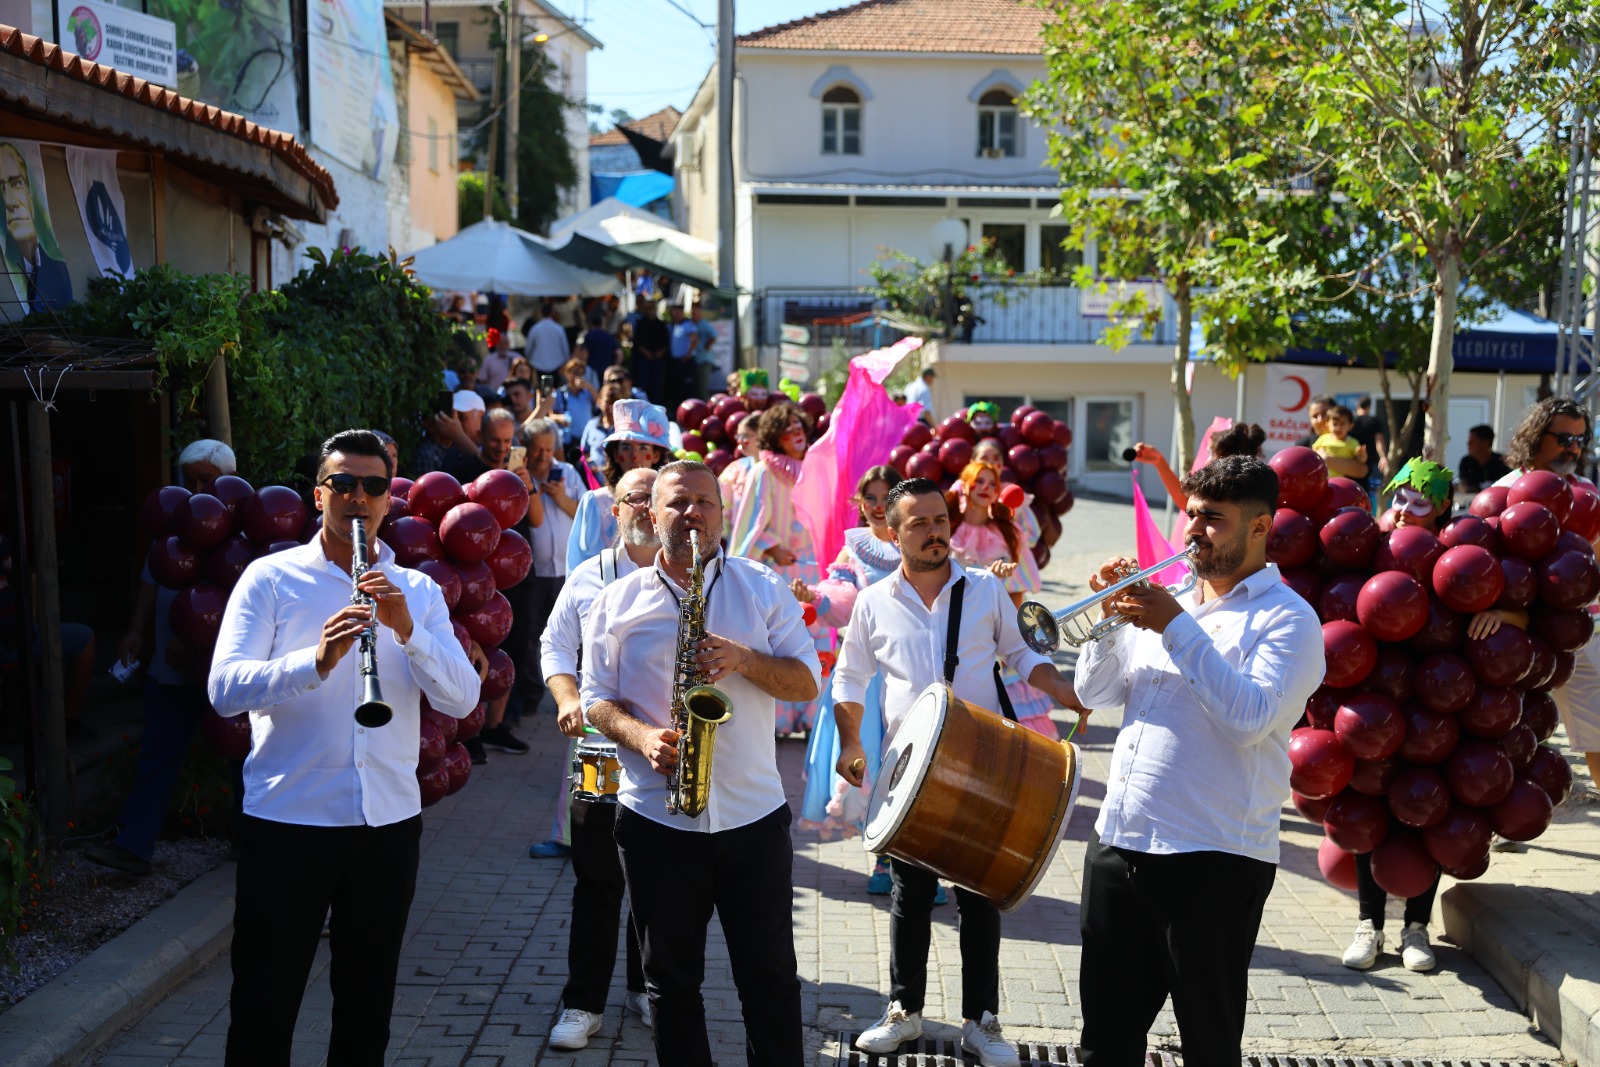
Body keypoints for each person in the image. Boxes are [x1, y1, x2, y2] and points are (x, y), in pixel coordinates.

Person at [207, 429, 480, 1065]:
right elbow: (224, 691)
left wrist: (409, 632)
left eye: (374, 486)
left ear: (389, 499)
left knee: (366, 1006)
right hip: (290, 819)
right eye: (344, 484)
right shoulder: (270, 578)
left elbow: (463, 699)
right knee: (264, 1001)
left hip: (386, 822)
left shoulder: (417, 591)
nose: (359, 497)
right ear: (318, 494)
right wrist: (318, 660)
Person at [1072, 456, 1324, 1066]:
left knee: (1208, 1044)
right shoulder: (1171, 599)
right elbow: (1094, 694)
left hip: (1214, 857)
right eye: (1190, 514)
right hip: (1120, 841)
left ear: (1260, 528)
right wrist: (1108, 624)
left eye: (1213, 519)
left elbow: (1249, 719)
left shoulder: (1289, 619)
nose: (1192, 530)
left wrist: (1176, 628)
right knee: (1105, 1043)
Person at [832, 478, 1084, 1067]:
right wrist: (850, 742)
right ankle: (904, 1010)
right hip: (909, 771)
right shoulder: (873, 601)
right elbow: (849, 676)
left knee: (979, 897)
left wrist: (1065, 690)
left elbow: (1022, 655)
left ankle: (982, 1021)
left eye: (940, 520)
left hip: (984, 765)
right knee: (910, 896)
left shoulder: (985, 589)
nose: (935, 532)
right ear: (892, 533)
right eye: (918, 523)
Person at [582, 461, 821, 1066]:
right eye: (677, 503)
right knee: (670, 983)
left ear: (722, 511)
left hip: (752, 817)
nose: (692, 514)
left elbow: (806, 680)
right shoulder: (617, 600)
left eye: (704, 502)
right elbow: (594, 700)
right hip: (656, 819)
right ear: (651, 514)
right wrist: (641, 737)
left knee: (771, 979)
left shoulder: (761, 587)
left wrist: (745, 659)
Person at [1341, 459, 1481, 972]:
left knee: (1428, 810)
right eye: (1398, 498)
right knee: (1369, 807)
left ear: (1441, 507)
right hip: (1375, 699)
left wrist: (1501, 613)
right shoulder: (1371, 547)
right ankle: (1369, 924)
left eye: (1418, 502)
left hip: (1436, 707)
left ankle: (1415, 928)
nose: (1403, 510)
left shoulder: (1455, 553)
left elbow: (1508, 599)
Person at [538, 467, 658, 1047]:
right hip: (599, 749)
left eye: (656, 498)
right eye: (635, 498)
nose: (647, 509)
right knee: (597, 878)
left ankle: (648, 991)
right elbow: (555, 645)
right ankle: (583, 1004)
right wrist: (567, 698)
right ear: (616, 510)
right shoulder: (589, 574)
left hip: (667, 752)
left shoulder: (699, 574)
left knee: (659, 881)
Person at [88, 440, 240, 876]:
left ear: (226, 480)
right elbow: (151, 581)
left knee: (243, 754)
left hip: (222, 670)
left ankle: (251, 839)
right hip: (171, 673)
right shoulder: (172, 528)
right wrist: (136, 632)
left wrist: (195, 645)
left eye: (206, 480)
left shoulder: (240, 535)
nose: (197, 489)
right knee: (157, 755)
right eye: (189, 480)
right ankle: (133, 846)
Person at [795, 468, 903, 886]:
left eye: (886, 497)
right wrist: (816, 597)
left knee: (913, 762)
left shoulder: (915, 543)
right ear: (859, 503)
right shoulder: (852, 550)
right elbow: (842, 600)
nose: (877, 506)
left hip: (912, 673)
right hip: (865, 677)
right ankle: (885, 860)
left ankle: (917, 866)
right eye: (870, 497)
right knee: (874, 761)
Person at [1497, 397, 1600, 785]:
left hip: (1584, 630)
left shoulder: (1586, 491)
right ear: (1537, 436)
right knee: (1510, 732)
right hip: (1523, 633)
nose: (1573, 448)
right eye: (1564, 438)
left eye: (1580, 439)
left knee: (1599, 733)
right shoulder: (1506, 490)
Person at [729, 401, 827, 735]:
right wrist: (772, 545)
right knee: (780, 643)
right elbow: (750, 522)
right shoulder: (764, 471)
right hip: (778, 572)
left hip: (811, 571)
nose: (796, 432)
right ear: (775, 436)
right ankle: (778, 721)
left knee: (815, 642)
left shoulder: (815, 470)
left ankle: (811, 718)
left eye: (799, 426)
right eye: (788, 429)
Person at [946, 462, 1057, 738]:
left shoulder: (1008, 533)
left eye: (992, 484)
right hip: (956, 629)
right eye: (979, 481)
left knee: (1012, 724)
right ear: (965, 486)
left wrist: (1015, 637)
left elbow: (1017, 593)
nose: (986, 488)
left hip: (998, 630)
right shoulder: (948, 530)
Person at [567, 399, 672, 570]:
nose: (635, 456)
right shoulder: (595, 502)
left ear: (656, 455)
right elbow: (579, 566)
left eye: (643, 448)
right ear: (615, 455)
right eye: (626, 447)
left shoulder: (670, 500)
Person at [1, 142, 72, 312]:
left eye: (16, 183)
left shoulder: (54, 261)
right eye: (2, 188)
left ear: (30, 194)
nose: (10, 202)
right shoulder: (10, 263)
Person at [1297, 395, 1367, 481]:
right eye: (1315, 416)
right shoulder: (1302, 445)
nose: (1320, 420)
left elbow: (1362, 471)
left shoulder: (1354, 440)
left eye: (1324, 414)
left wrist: (1326, 458)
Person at [551, 357, 598, 455]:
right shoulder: (560, 393)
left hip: (586, 439)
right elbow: (551, 415)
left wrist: (588, 386)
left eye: (581, 373)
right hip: (568, 441)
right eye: (575, 372)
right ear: (567, 373)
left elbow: (599, 401)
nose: (578, 376)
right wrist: (560, 418)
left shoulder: (587, 393)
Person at [628, 299, 670, 405]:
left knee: (656, 385)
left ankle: (656, 406)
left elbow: (666, 342)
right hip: (643, 360)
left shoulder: (661, 325)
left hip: (658, 360)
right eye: (648, 309)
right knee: (643, 384)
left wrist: (660, 353)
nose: (650, 311)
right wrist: (646, 352)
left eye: (652, 308)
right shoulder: (640, 324)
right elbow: (637, 342)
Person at [1458, 423, 1512, 492]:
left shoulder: (1502, 461)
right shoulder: (1466, 462)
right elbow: (1464, 486)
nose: (1468, 444)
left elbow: (1508, 485)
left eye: (1472, 441)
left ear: (1485, 442)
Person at [667, 304, 699, 412]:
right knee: (677, 388)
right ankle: (678, 411)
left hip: (686, 362)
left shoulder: (687, 324)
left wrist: (688, 354)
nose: (676, 315)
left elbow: (694, 339)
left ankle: (691, 411)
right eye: (674, 312)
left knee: (687, 389)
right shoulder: (676, 326)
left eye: (678, 312)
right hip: (676, 362)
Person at [525, 302, 571, 375]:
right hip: (557, 363)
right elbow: (565, 347)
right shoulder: (558, 328)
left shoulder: (535, 328)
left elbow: (529, 347)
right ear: (552, 313)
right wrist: (566, 361)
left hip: (538, 364)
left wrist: (528, 359)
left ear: (541, 313)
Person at [576, 309, 620, 383]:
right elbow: (619, 353)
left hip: (593, 370)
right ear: (601, 324)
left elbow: (582, 353)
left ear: (591, 324)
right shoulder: (609, 336)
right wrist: (616, 367)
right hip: (607, 370)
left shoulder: (588, 337)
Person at [1352, 396, 1390, 480]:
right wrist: (1383, 457)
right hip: (1371, 462)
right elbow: (1379, 441)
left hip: (1352, 462)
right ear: (1369, 407)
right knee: (1374, 486)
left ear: (1357, 406)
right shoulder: (1374, 421)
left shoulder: (1351, 422)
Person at [691, 303, 718, 399]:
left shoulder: (704, 324)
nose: (693, 315)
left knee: (703, 387)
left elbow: (714, 336)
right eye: (692, 313)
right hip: (696, 359)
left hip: (704, 359)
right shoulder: (693, 324)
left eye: (695, 313)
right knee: (697, 386)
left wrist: (707, 345)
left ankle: (704, 405)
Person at [477, 327, 514, 395]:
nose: (503, 346)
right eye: (501, 343)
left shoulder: (517, 358)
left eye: (505, 343)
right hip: (494, 396)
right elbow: (482, 381)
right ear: (496, 344)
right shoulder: (488, 360)